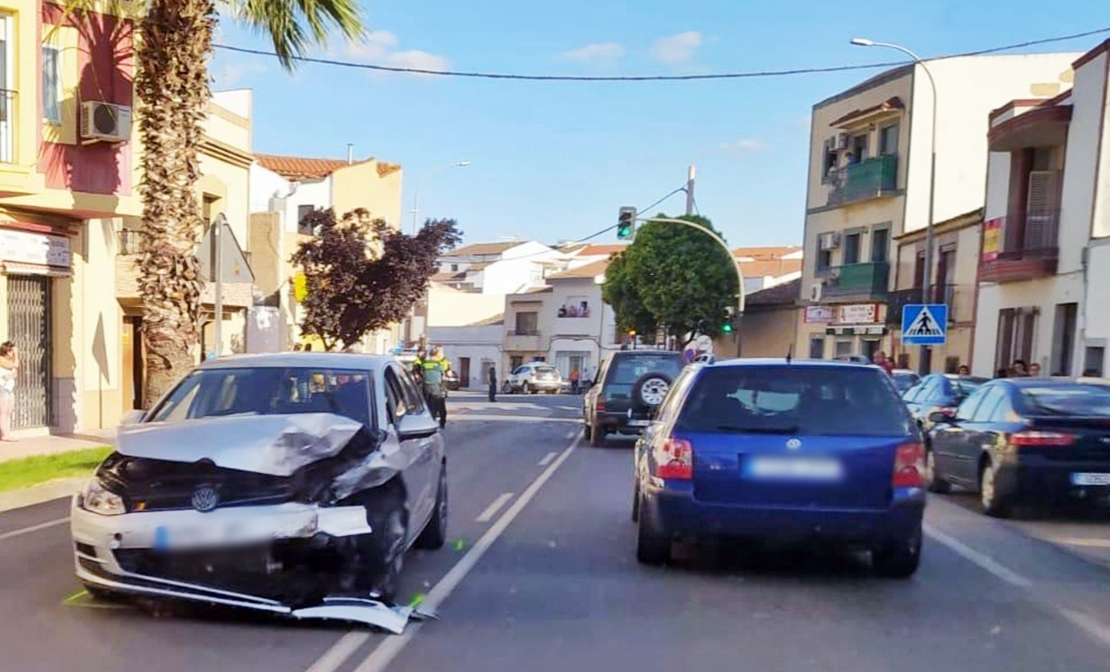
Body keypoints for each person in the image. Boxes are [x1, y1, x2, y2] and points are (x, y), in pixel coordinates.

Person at [414, 346, 450, 428]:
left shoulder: (424, 363)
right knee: (440, 406)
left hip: (425, 387)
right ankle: (442, 423)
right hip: (436, 387)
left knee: (428, 405)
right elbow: (444, 375)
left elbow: (421, 374)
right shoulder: (438, 364)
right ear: (437, 355)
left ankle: (429, 421)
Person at [0, 342, 18, 442]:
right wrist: (17, 355)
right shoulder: (1, 359)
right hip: (1, 388)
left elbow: (15, 373)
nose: (13, 352)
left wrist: (10, 376)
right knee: (3, 412)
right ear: (6, 351)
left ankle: (7, 433)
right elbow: (15, 365)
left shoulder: (10, 361)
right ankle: (4, 435)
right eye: (11, 350)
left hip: (9, 388)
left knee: (8, 412)